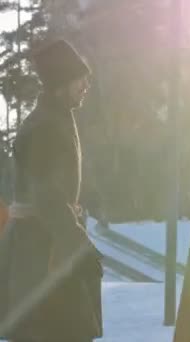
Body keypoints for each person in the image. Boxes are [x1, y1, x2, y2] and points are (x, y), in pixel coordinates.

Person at [0, 39, 103, 341]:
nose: (86, 84)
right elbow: (48, 198)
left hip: (47, 248)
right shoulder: (44, 126)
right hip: (42, 254)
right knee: (53, 332)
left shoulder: (55, 118)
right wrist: (78, 246)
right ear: (61, 81)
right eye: (80, 78)